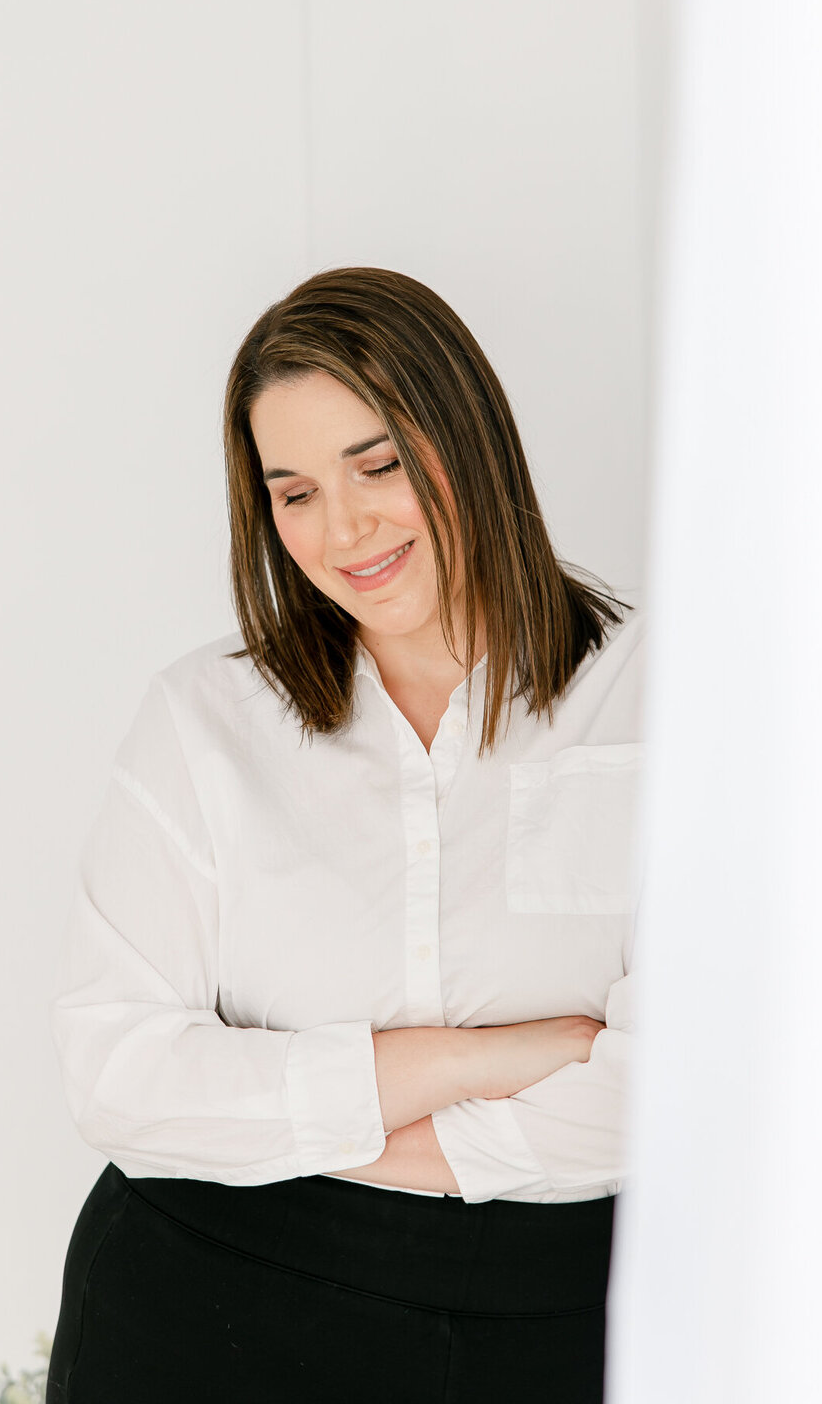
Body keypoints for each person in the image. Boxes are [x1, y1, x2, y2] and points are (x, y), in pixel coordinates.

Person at [44, 266, 646, 1403]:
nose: (346, 528)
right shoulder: (203, 722)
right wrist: (469, 1060)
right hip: (206, 1298)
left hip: (557, 1313)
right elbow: (115, 1071)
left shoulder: (663, 700)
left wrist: (293, 1125)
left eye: (379, 465)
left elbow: (693, 1081)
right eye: (296, 493)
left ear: (468, 438)